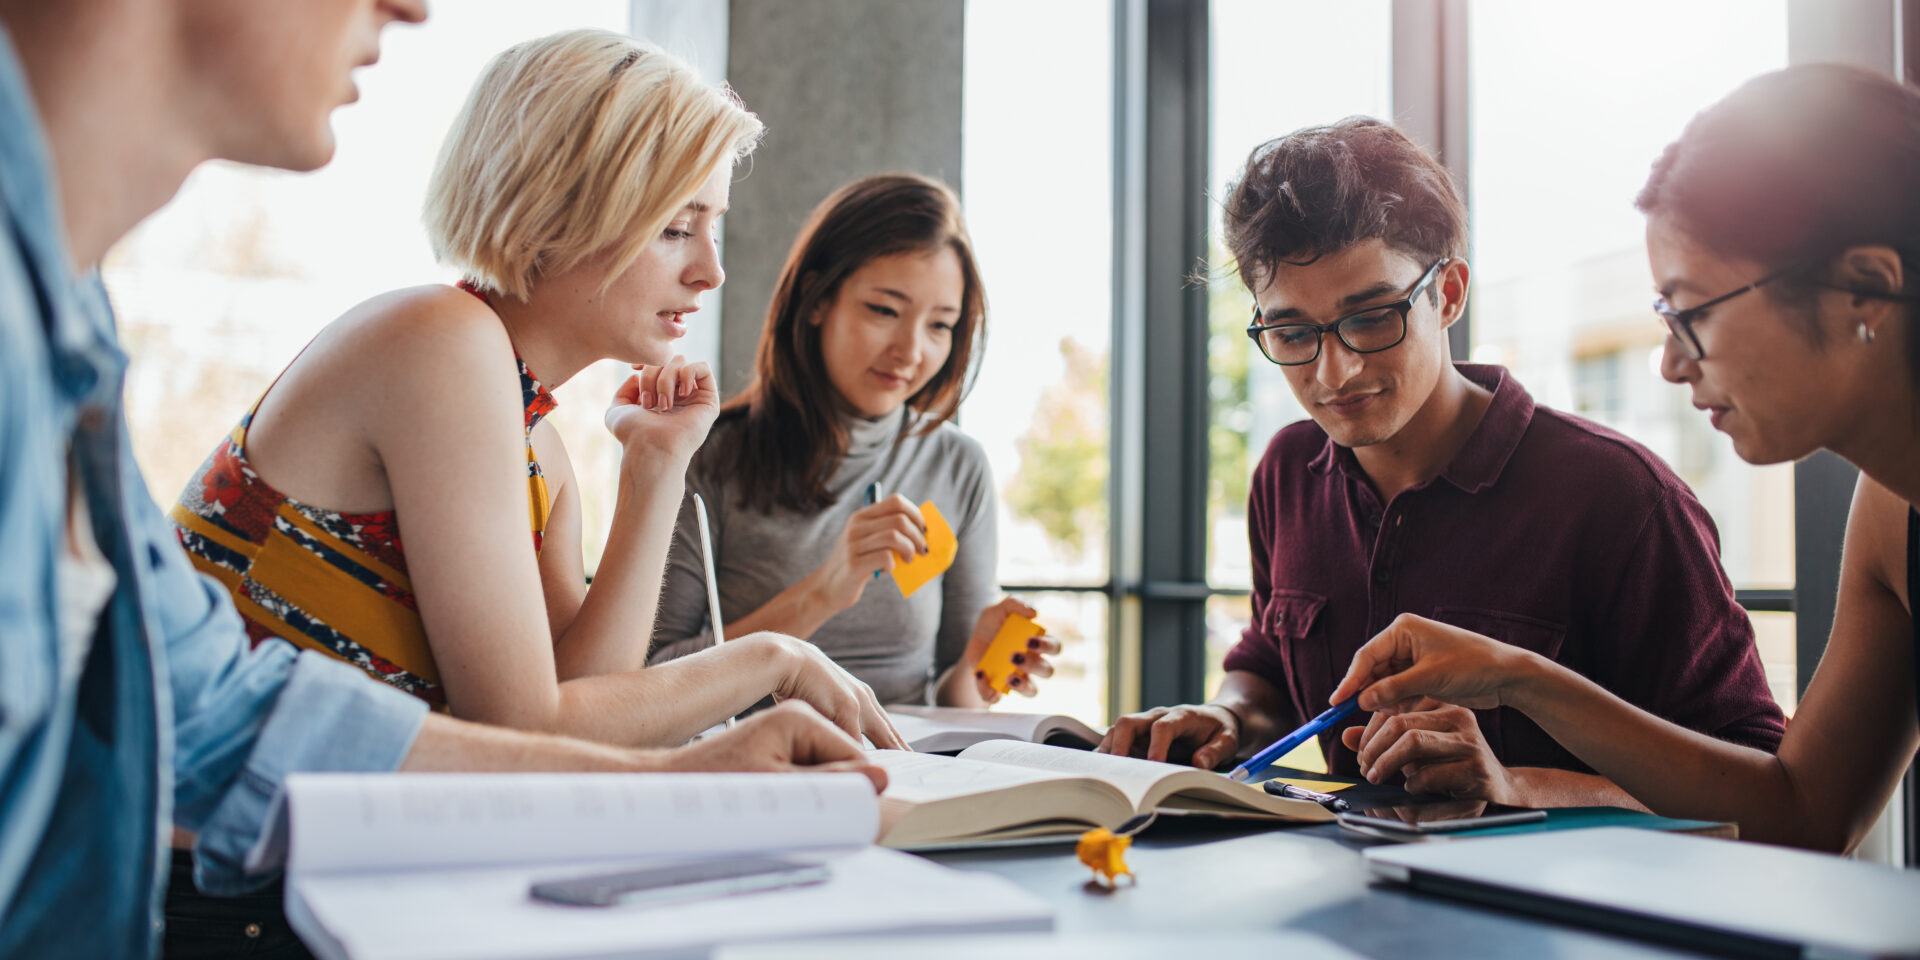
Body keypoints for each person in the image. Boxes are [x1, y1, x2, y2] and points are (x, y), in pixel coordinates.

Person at [0, 3, 884, 957]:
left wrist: (656, 465)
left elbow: (572, 717)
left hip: (283, 872)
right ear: (560, 211)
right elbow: (530, 723)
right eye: (677, 226)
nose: (711, 271)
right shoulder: (440, 344)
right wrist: (772, 659)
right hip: (229, 897)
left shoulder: (532, 434)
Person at [1098, 118, 1785, 807]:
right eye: (1292, 332)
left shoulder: (1621, 497)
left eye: (1371, 318)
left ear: (1448, 294)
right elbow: (1268, 665)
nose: (1335, 372)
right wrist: (1229, 717)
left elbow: (1757, 786)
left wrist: (1518, 786)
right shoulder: (1287, 471)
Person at [1331, 64, 1920, 854]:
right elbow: (1806, 815)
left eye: (1694, 313)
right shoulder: (1889, 512)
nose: (1673, 365)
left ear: (1864, 288)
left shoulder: (1627, 491)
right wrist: (1518, 675)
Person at [649, 174, 1060, 708]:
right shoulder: (710, 454)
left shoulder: (958, 464)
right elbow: (648, 680)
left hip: (910, 772)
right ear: (817, 299)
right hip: (760, 769)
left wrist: (974, 670)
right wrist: (823, 592)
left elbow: (957, 709)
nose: (910, 350)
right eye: (885, 311)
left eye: (941, 325)